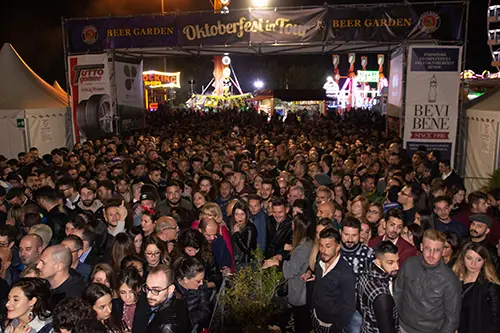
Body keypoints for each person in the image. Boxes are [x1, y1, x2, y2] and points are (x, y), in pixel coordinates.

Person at [394, 229, 462, 333]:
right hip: (402, 326)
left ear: (443, 251)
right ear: (421, 247)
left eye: (437, 250)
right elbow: (397, 293)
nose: (431, 254)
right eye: (427, 248)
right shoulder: (409, 264)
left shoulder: (450, 280)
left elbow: (452, 319)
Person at [263, 214, 313, 333]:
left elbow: (291, 270)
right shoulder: (305, 242)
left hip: (300, 290)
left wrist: (276, 263)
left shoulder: (303, 247)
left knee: (300, 324)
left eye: (293, 224)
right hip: (298, 289)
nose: (291, 225)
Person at [302, 227, 356, 333]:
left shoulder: (346, 273)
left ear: (338, 247)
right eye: (321, 245)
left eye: (328, 246)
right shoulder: (320, 262)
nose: (323, 250)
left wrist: (335, 328)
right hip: (316, 318)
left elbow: (349, 307)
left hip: (331, 326)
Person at [453, 242, 500, 333]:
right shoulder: (455, 280)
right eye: (469, 258)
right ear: (463, 257)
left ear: (484, 261)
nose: (473, 263)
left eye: (478, 260)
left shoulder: (490, 286)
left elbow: (496, 319)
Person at [132, 264, 191, 333]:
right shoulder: (179, 300)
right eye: (147, 288)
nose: (149, 295)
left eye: (156, 290)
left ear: (170, 289)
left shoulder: (167, 327)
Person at [357, 241, 399, 333]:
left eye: (397, 261)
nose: (396, 267)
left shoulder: (366, 271)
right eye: (390, 262)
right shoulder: (382, 295)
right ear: (378, 262)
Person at [37, 244, 86, 310]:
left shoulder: (72, 298)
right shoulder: (44, 286)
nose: (38, 266)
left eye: (43, 263)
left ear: (59, 267)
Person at [173, 256, 211, 330]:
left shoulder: (201, 288)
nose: (202, 283)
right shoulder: (171, 289)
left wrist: (188, 321)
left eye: (202, 280)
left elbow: (205, 310)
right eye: (198, 281)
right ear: (186, 279)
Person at [112, 266, 142, 332]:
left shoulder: (146, 307)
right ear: (117, 291)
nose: (127, 297)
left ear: (139, 288)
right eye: (123, 293)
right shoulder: (115, 306)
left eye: (131, 292)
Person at [230, 201, 257, 269]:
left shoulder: (250, 228)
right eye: (237, 214)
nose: (240, 217)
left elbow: (247, 249)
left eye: (242, 214)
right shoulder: (233, 225)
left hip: (245, 264)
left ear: (246, 215)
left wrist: (237, 234)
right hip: (235, 262)